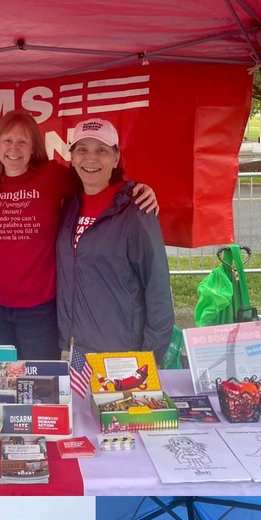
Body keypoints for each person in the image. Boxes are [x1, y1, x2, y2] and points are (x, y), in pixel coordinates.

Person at [55, 118, 173, 360]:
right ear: (72, 157)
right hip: (73, 347)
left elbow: (157, 286)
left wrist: (150, 357)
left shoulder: (137, 208)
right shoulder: (69, 205)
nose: (91, 159)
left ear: (116, 158)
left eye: (101, 151)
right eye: (82, 150)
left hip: (120, 352)